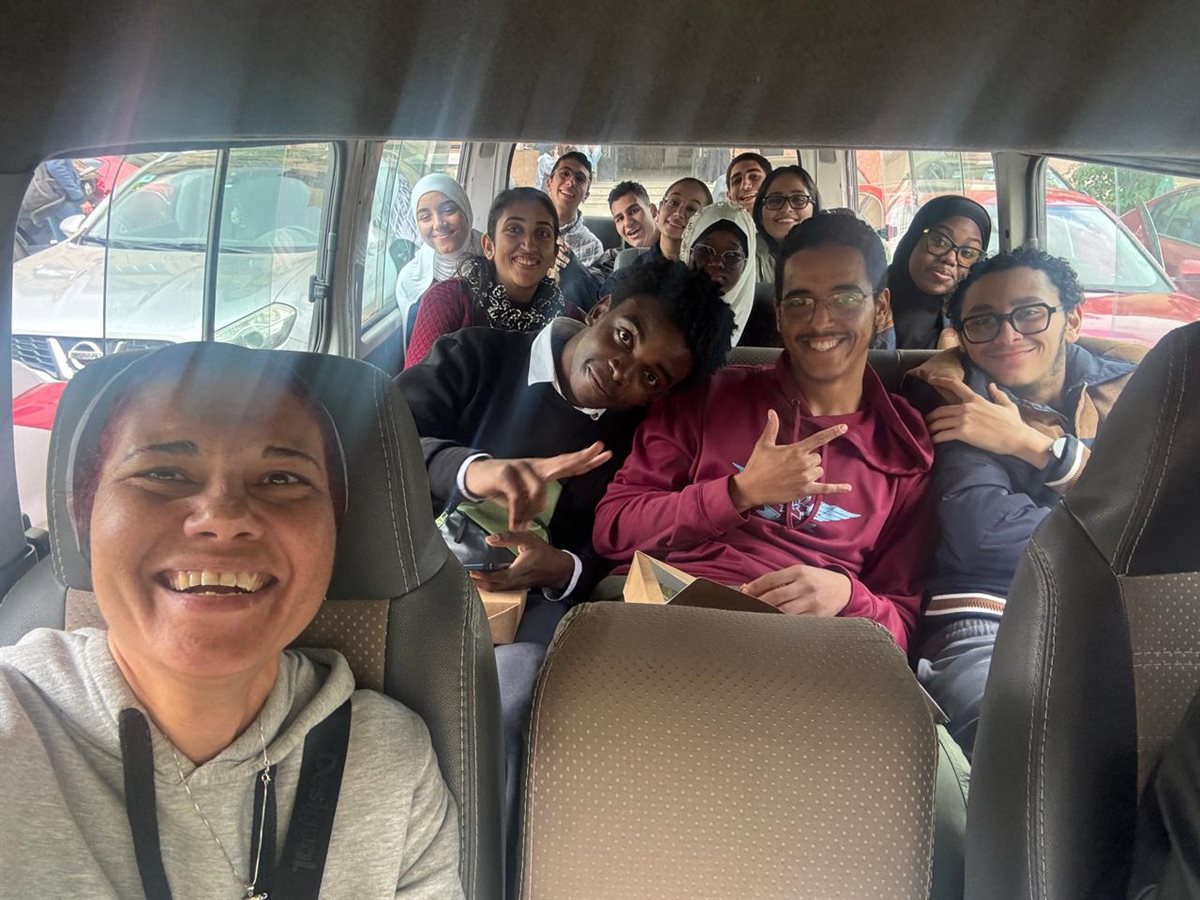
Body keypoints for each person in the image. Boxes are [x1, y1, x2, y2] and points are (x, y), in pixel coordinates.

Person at [0, 345, 463, 897]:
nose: (222, 517)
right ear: (83, 517)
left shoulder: (392, 764)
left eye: (281, 479)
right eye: (163, 472)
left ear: (334, 530)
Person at [395, 261, 735, 883]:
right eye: (625, 337)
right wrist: (474, 470)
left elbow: (618, 546)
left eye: (650, 376)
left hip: (529, 615)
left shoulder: (638, 438)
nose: (622, 370)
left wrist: (563, 568)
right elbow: (375, 443)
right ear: (600, 309)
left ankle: (485, 876)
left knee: (515, 701)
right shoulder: (477, 357)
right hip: (411, 583)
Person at [594, 211, 935, 652]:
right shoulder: (709, 396)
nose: (820, 321)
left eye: (846, 298)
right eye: (800, 301)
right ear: (778, 314)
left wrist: (850, 597)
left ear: (881, 306)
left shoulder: (904, 445)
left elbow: (902, 625)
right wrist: (736, 493)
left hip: (809, 647)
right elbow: (614, 529)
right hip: (668, 616)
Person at [906, 247, 1141, 759]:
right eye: (984, 320)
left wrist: (1034, 447)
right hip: (994, 614)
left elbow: (1172, 512)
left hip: (1132, 609)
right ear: (963, 335)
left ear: (1072, 319)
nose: (1007, 334)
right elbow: (986, 536)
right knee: (1026, 738)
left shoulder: (1135, 390)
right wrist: (1128, 529)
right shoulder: (955, 398)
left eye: (1030, 313)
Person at [405, 187, 575, 367]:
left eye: (542, 234)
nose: (529, 245)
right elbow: (417, 382)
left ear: (554, 254)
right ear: (488, 246)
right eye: (514, 229)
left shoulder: (566, 317)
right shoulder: (448, 300)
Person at [885, 196, 992, 350]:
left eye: (967, 253)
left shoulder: (975, 319)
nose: (950, 259)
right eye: (940, 242)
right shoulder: (866, 299)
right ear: (914, 239)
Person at [395, 173, 484, 350]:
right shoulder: (411, 278)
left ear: (465, 209)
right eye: (425, 217)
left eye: (448, 210)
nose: (438, 224)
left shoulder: (497, 261)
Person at [680, 201, 758, 345]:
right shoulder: (661, 310)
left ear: (747, 264)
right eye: (705, 250)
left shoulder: (764, 323)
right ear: (688, 252)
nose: (716, 263)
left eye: (732, 255)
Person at [752, 164, 821, 283]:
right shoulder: (744, 257)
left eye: (798, 200)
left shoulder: (833, 255)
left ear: (814, 210)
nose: (786, 209)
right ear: (760, 215)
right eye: (775, 201)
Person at [544, 150, 604, 266]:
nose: (570, 183)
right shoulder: (526, 228)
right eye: (565, 174)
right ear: (549, 183)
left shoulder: (592, 247)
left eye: (579, 179)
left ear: (586, 196)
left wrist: (572, 266)